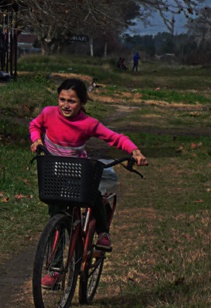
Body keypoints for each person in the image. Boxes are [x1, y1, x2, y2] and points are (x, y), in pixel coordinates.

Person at [29, 78, 147, 274]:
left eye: (72, 101)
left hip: (76, 171)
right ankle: (55, 268)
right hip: (53, 173)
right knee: (56, 220)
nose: (65, 105)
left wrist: (134, 151)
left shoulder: (88, 123)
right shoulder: (48, 113)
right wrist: (37, 140)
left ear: (82, 103)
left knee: (93, 194)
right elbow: (34, 126)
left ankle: (103, 232)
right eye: (62, 99)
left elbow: (114, 138)